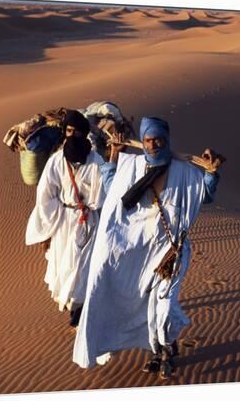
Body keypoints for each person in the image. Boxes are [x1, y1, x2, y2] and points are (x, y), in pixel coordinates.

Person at [73, 116, 222, 377]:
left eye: (158, 139)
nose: (153, 145)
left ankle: (164, 351)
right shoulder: (132, 166)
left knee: (163, 307)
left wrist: (210, 172)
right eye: (148, 140)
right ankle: (159, 350)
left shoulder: (185, 170)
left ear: (167, 139)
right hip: (138, 253)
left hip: (170, 253)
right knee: (146, 306)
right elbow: (113, 190)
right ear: (142, 141)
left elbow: (205, 195)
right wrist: (113, 155)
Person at [26, 110, 106, 327]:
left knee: (84, 265)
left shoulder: (96, 160)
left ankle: (80, 309)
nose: (73, 136)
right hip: (64, 221)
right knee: (64, 264)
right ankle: (74, 306)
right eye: (70, 131)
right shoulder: (56, 161)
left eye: (78, 132)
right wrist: (47, 231)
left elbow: (103, 196)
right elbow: (45, 196)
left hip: (89, 221)